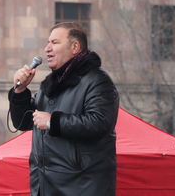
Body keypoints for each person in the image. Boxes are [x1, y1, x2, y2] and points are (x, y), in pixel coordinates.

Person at [8, 22, 119, 196]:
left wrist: (53, 121)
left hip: (82, 186)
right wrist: (20, 91)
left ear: (75, 47)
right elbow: (22, 122)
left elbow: (100, 123)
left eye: (54, 42)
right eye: (47, 43)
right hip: (44, 185)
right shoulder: (50, 85)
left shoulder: (97, 81)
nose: (47, 49)